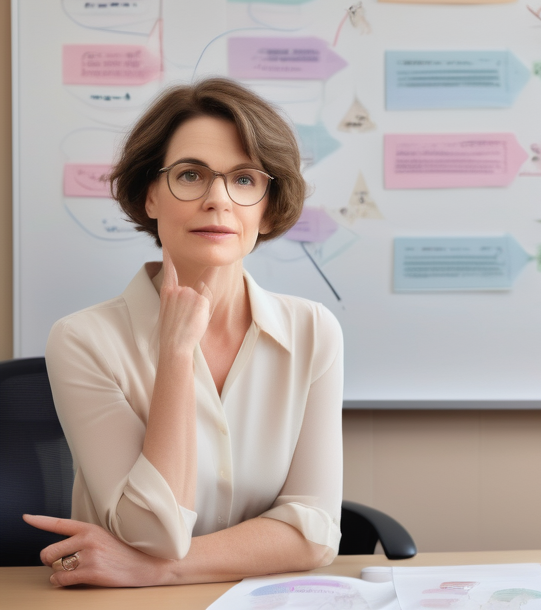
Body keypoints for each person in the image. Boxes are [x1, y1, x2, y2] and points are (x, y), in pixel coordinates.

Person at [24, 78, 343, 587]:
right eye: (191, 175)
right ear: (150, 195)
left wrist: (149, 569)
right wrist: (174, 356)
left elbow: (315, 532)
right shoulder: (82, 340)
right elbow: (154, 532)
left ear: (267, 206)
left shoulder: (312, 331)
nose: (218, 199)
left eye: (243, 180)